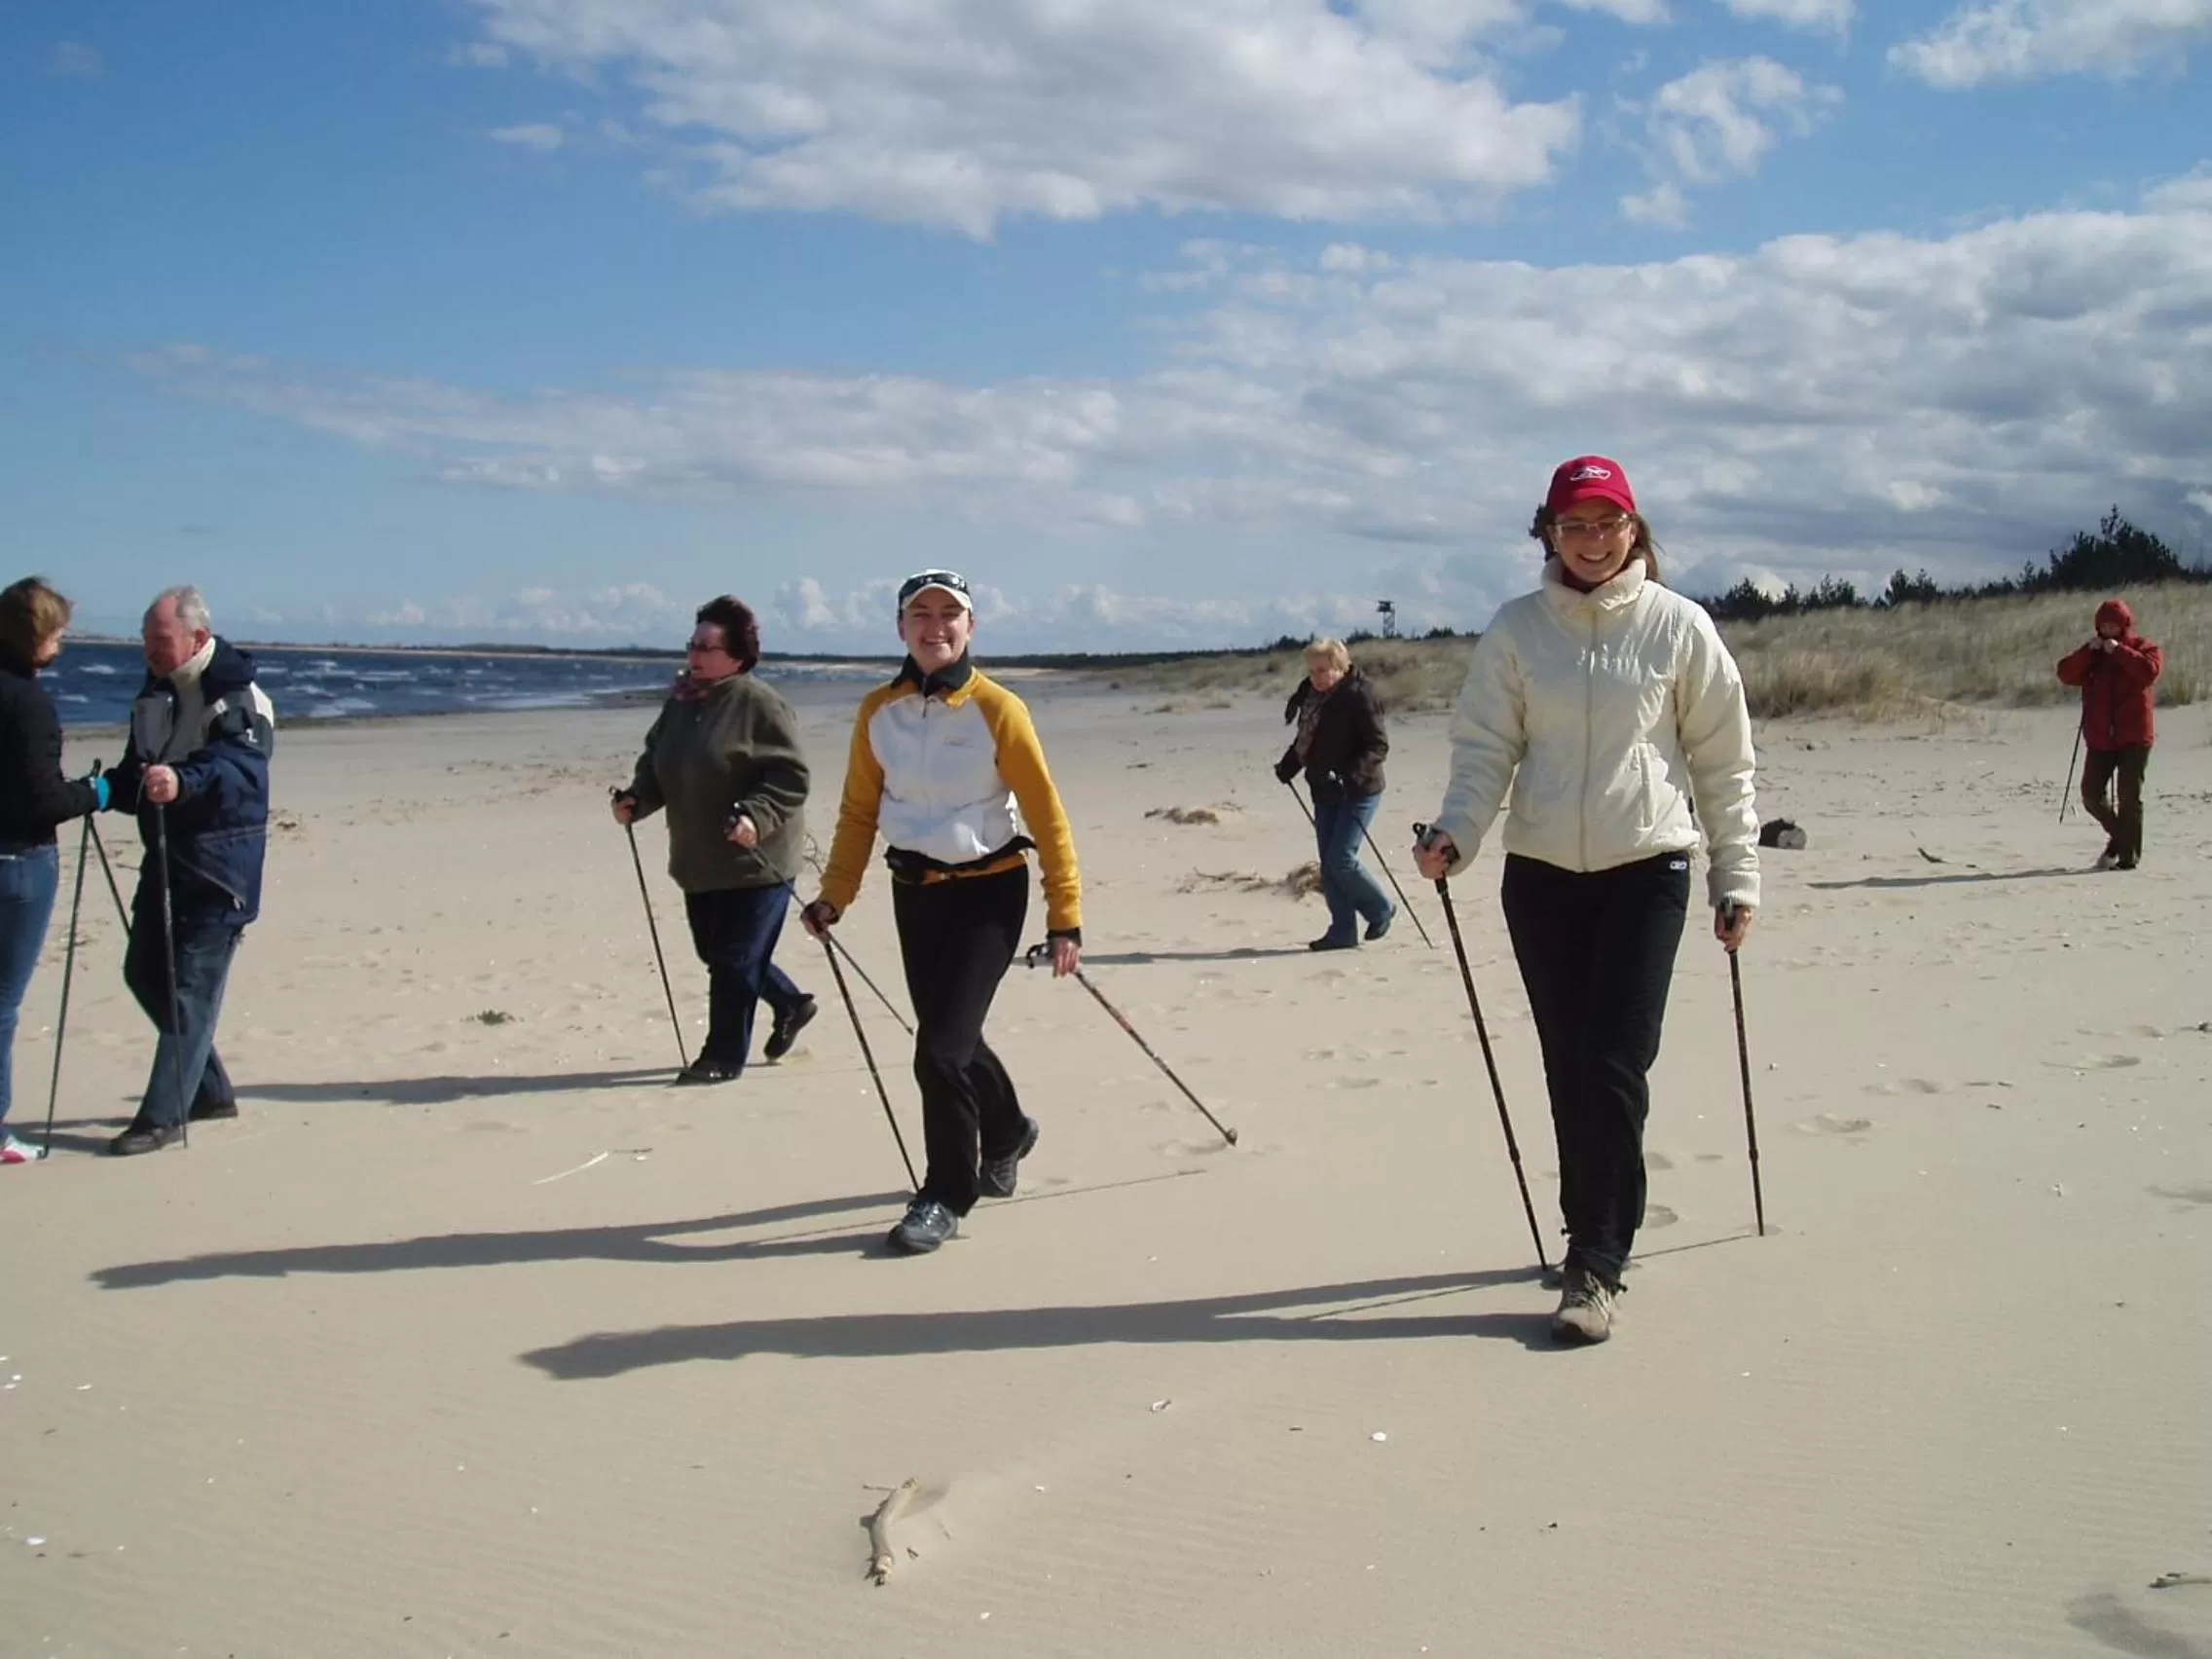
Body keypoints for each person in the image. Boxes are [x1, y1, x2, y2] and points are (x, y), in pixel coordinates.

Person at [1413, 457, 1758, 1346]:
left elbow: (1723, 762)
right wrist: (1457, 833)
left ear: (1634, 530)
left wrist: (1736, 873)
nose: (1593, 540)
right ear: (1550, 534)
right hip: (1541, 876)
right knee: (1569, 1063)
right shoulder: (1518, 630)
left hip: (1648, 868)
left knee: (1614, 1059)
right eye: (1575, 525)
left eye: (1609, 523)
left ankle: (1597, 1259)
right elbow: (1485, 748)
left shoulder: (1679, 626)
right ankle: (1594, 1224)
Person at [802, 570, 1082, 1256]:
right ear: (901, 628)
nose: (935, 627)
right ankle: (1008, 1130)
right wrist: (836, 893)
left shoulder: (999, 709)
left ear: (970, 627)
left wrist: (1064, 914)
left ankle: (946, 1194)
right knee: (950, 1040)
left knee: (937, 1053)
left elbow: (1045, 813)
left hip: (991, 892)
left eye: (948, 614)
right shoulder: (879, 712)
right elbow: (859, 812)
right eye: (920, 614)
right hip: (916, 892)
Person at [611, 596, 814, 1086]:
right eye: (692, 644)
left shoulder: (760, 704)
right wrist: (637, 799)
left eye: (707, 647)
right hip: (700, 860)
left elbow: (790, 777)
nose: (694, 655)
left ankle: (722, 1058)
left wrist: (755, 816)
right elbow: (658, 760)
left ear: (737, 656)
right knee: (717, 954)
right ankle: (790, 1003)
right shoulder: (682, 701)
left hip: (758, 861)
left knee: (733, 961)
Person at [102, 586, 276, 1156]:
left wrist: (181, 782)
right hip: (165, 856)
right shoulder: (155, 691)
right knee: (144, 972)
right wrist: (97, 791)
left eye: (159, 639)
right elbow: (136, 771)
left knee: (191, 990)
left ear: (197, 637)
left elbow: (240, 770)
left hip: (221, 865)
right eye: (145, 640)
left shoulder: (237, 695)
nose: (148, 650)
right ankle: (210, 1092)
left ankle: (161, 1116)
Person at [1, 578, 111, 1165]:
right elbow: (41, 800)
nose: (62, 643)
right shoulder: (28, 703)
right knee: (1, 1001)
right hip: (18, 862)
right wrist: (96, 792)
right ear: (36, 636)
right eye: (57, 633)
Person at [1275, 637, 1395, 950]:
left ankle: (1380, 908)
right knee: (1328, 866)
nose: (1316, 677)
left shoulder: (1360, 694)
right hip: (1323, 788)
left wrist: (1350, 776)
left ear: (1341, 668)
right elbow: (1307, 740)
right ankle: (1342, 931)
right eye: (1312, 670)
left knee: (1341, 858)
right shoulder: (1311, 696)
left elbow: (1378, 746)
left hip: (1359, 790)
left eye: (1322, 670)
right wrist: (1288, 766)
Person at [2057, 599, 2160, 871]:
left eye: (2113, 626)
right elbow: (2065, 674)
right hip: (2100, 736)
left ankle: (2128, 858)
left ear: (2124, 625)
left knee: (2129, 797)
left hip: (2134, 735)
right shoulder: (2093, 653)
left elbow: (2149, 672)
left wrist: (2120, 652)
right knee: (2091, 795)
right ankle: (2122, 840)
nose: (2108, 630)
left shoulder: (2143, 647)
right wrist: (2086, 652)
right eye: (2104, 626)